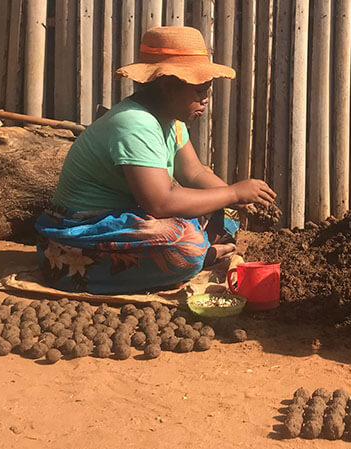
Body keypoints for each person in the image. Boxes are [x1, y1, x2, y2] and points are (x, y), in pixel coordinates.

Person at [35, 26, 276, 294]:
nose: (205, 99)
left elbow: (194, 173)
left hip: (127, 219)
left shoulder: (170, 119)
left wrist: (238, 200)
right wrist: (232, 192)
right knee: (186, 247)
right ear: (168, 86)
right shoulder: (135, 123)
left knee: (226, 211)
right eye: (199, 90)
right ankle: (203, 255)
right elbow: (160, 203)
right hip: (78, 235)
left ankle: (206, 247)